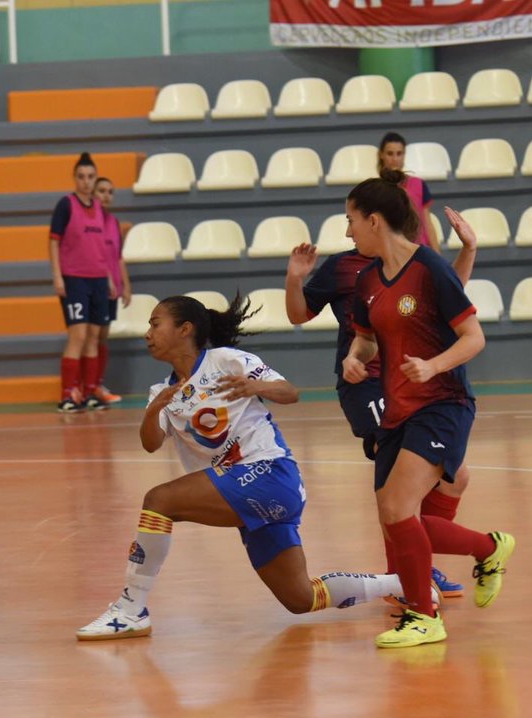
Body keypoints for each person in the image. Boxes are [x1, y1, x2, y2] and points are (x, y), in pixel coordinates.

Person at [76, 294, 408, 641]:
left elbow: (290, 392)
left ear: (184, 329)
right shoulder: (162, 390)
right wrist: (151, 411)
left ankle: (131, 609)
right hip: (246, 490)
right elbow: (151, 443)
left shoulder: (226, 361)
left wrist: (255, 385)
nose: (147, 333)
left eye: (155, 324)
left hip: (269, 472)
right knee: (300, 598)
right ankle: (405, 582)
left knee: (159, 500)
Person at [341, 171, 515, 649]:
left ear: (374, 220)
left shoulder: (431, 268)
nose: (347, 231)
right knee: (395, 518)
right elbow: (365, 340)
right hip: (397, 409)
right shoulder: (368, 280)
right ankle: (490, 548)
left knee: (399, 509)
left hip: (442, 403)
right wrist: (354, 361)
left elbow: (474, 338)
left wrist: (433, 365)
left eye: (351, 220)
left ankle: (423, 616)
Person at [284, 206, 478, 600]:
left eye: (351, 222)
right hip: (367, 385)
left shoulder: (415, 261)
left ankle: (416, 564)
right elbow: (298, 314)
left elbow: (446, 300)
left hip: (409, 379)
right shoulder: (345, 268)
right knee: (395, 490)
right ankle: (404, 579)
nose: (349, 231)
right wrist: (294, 278)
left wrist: (468, 250)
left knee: (455, 478)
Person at [50, 153, 114, 411]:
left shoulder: (99, 208)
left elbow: (102, 248)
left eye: (90, 177)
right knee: (78, 334)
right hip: (75, 278)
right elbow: (53, 241)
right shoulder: (66, 205)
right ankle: (67, 395)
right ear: (74, 179)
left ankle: (88, 393)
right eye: (81, 177)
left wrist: (109, 279)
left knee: (94, 336)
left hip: (99, 279)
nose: (86, 182)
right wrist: (57, 275)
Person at [91, 176, 131, 406]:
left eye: (110, 191)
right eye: (102, 191)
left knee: (102, 338)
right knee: (92, 338)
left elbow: (117, 256)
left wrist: (125, 285)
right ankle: (88, 387)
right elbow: (95, 256)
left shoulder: (114, 222)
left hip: (112, 290)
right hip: (97, 286)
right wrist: (106, 280)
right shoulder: (91, 223)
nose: (106, 195)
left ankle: (97, 384)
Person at [378, 132, 440, 251]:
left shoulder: (419, 184)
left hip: (420, 250)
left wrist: (437, 256)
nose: (395, 159)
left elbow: (427, 222)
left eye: (399, 153)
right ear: (381, 155)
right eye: (390, 153)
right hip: (391, 253)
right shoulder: (375, 189)